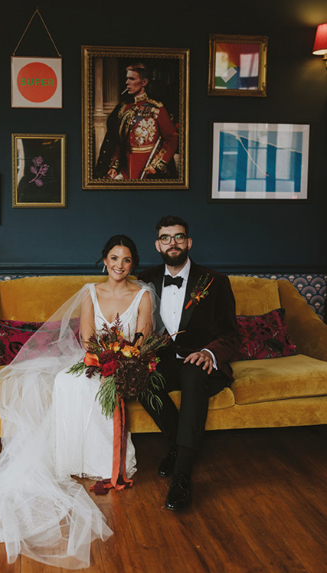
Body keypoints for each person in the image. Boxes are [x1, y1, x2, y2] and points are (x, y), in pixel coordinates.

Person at [0, 235, 159, 568]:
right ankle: (67, 458)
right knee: (66, 381)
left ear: (132, 264)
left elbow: (144, 332)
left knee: (98, 387)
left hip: (130, 360)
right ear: (104, 260)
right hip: (94, 357)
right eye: (113, 258)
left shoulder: (143, 294)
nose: (119, 265)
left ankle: (104, 462)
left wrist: (126, 357)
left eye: (126, 260)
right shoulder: (91, 292)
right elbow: (88, 336)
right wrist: (102, 357)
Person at [138, 215, 240, 511]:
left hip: (203, 365)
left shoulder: (216, 282)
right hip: (166, 362)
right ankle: (179, 444)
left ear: (189, 242)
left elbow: (232, 334)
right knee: (141, 382)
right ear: (158, 244)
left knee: (194, 373)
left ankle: (182, 476)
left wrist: (209, 353)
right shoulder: (145, 279)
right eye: (166, 238)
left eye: (179, 237)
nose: (173, 243)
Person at [95, 62, 178, 180]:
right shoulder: (123, 109)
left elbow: (171, 139)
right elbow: (119, 142)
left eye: (132, 79)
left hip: (148, 169)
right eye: (127, 78)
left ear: (144, 82)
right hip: (126, 170)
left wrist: (156, 164)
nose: (127, 83)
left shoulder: (157, 109)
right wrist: (114, 166)